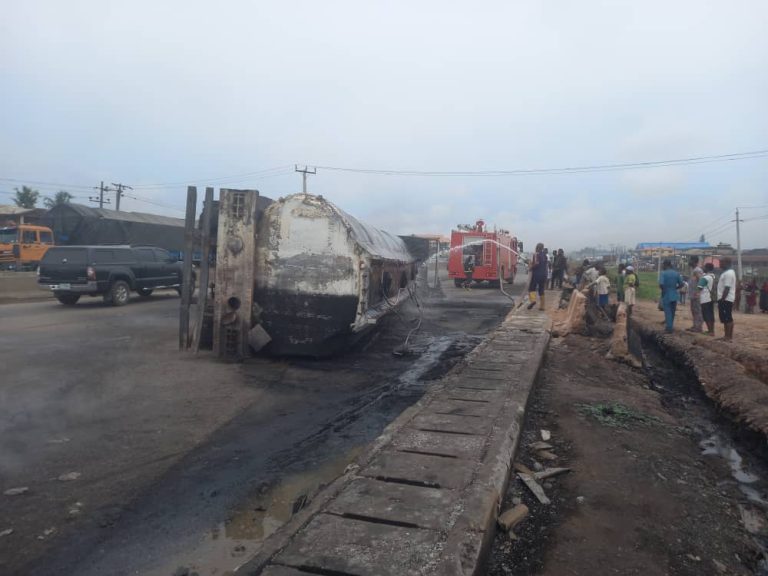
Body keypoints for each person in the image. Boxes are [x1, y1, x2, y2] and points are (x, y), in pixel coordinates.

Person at [659, 259, 684, 334]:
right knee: (672, 311)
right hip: (674, 294)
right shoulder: (676, 273)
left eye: (663, 265)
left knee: (668, 311)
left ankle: (669, 328)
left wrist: (663, 291)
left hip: (666, 294)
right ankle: (671, 326)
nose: (662, 266)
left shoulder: (663, 273)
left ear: (666, 265)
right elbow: (681, 284)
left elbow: (661, 284)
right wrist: (675, 288)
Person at [717, 257, 737, 342]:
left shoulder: (728, 273)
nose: (719, 264)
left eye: (721, 262)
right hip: (725, 298)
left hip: (726, 299)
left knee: (728, 318)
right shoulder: (727, 272)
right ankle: (726, 336)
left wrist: (722, 299)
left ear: (726, 263)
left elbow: (727, 288)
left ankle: (728, 337)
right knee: (725, 318)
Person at [527, 242, 548, 310]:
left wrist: (531, 267)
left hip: (536, 275)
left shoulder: (536, 254)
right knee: (541, 290)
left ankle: (533, 301)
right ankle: (542, 306)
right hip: (544, 274)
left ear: (537, 247)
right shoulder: (545, 255)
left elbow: (536, 263)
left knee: (531, 288)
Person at [698, 263, 716, 335]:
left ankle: (710, 331)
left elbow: (699, 287)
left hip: (705, 298)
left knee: (706, 315)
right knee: (711, 315)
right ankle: (712, 330)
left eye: (704, 267)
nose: (703, 268)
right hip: (711, 298)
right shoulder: (713, 276)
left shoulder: (704, 277)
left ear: (707, 268)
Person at [687, 256, 704, 333]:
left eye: (690, 260)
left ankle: (698, 327)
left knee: (697, 311)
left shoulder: (697, 270)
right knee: (694, 310)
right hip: (693, 294)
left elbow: (701, 281)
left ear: (694, 261)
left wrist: (698, 292)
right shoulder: (693, 270)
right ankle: (695, 326)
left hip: (696, 295)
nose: (689, 262)